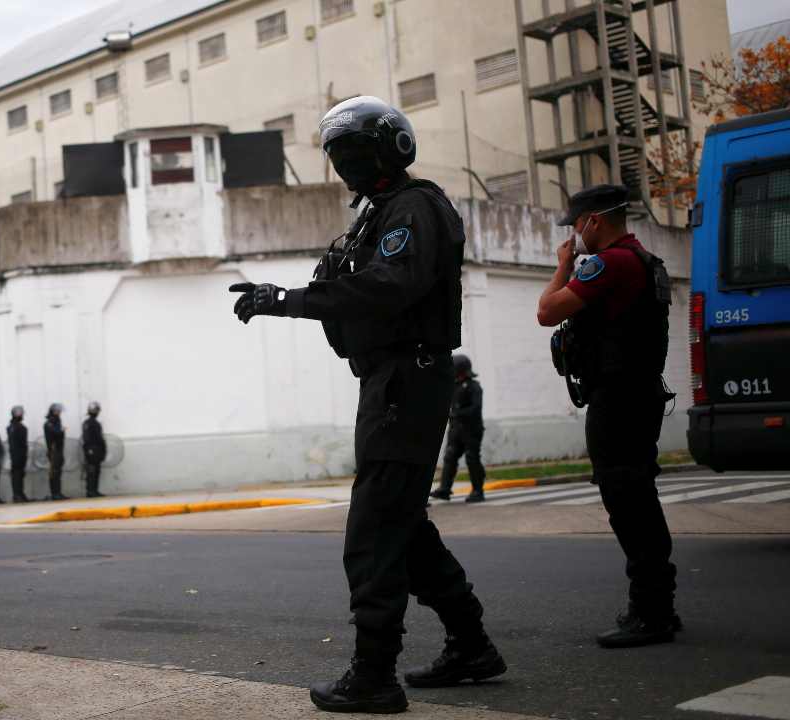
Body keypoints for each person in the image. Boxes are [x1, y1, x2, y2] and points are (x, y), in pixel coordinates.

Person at [230, 96, 505, 713]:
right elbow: (350, 285)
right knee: (403, 525)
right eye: (338, 155)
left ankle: (376, 675)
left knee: (374, 528)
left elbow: (389, 284)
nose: (345, 166)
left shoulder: (413, 208)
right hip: (388, 378)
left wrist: (286, 298)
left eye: (353, 152)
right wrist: (290, 297)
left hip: (409, 377)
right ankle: (471, 644)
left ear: (388, 150)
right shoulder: (376, 215)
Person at [536, 183, 678, 649]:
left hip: (618, 399)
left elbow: (547, 310)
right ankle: (658, 606)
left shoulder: (609, 262)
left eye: (575, 225)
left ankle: (651, 613)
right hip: (640, 394)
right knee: (639, 497)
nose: (573, 235)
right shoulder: (645, 261)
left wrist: (562, 265)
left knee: (627, 502)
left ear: (594, 221)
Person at [430, 355, 486, 503]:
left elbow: (475, 408)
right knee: (449, 458)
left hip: (471, 430)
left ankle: (478, 491)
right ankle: (444, 489)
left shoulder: (474, 387)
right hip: (456, 431)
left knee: (472, 458)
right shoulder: (452, 386)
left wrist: (456, 413)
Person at [82, 402, 107, 498]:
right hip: (92, 450)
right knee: (91, 471)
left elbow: (99, 438)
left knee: (96, 470)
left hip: (97, 450)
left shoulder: (95, 423)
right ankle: (90, 491)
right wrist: (89, 449)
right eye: (96, 410)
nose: (97, 412)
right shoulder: (88, 423)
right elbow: (87, 438)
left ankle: (95, 490)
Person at [7, 405, 32, 502]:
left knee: (20, 474)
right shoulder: (13, 427)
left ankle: (20, 493)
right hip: (16, 454)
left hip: (21, 454)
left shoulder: (18, 426)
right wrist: (17, 455)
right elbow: (15, 443)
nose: (22, 415)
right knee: (16, 475)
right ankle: (17, 495)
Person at [43, 403, 67, 501]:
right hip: (53, 450)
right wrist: (61, 430)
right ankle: (55, 493)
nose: (59, 413)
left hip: (58, 450)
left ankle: (58, 492)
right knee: (54, 472)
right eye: (58, 411)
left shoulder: (57, 422)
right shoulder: (49, 423)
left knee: (58, 472)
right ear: (53, 411)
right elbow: (55, 433)